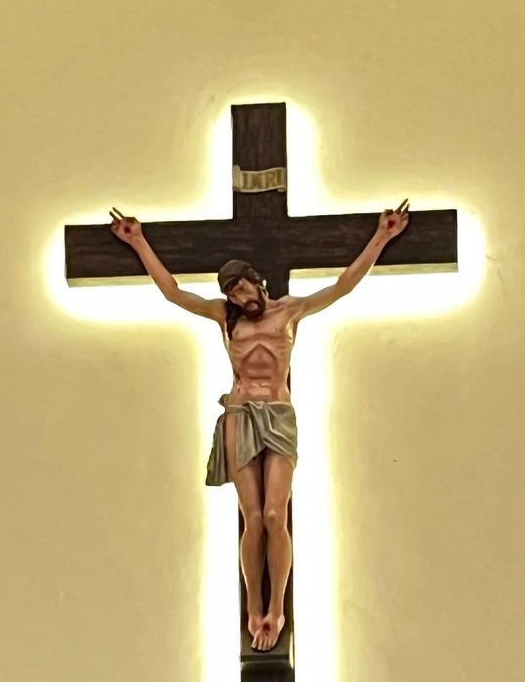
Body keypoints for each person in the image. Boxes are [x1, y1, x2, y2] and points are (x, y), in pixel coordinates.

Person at [109, 203, 409, 651]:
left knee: (274, 515)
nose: (237, 297)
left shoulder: (290, 311)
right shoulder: (224, 317)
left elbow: (343, 285)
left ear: (257, 281)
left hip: (279, 415)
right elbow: (173, 292)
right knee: (251, 517)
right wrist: (137, 241)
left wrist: (382, 236)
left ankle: (278, 607)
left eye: (241, 286)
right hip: (239, 414)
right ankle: (254, 609)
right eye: (230, 292)